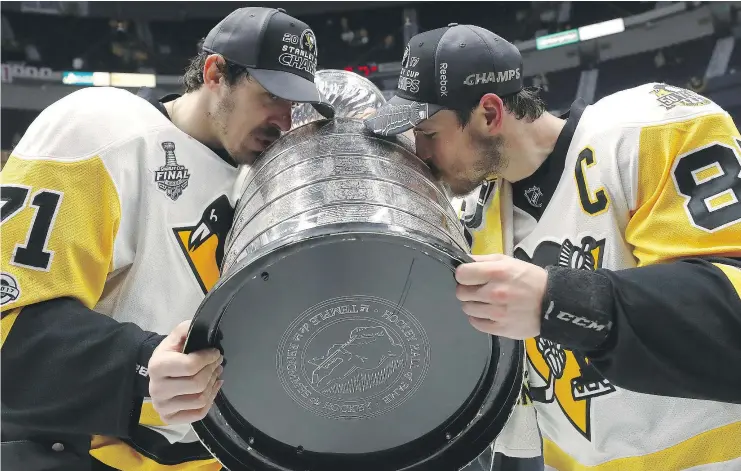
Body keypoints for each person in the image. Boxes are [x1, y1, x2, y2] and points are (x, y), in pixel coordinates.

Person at [365, 24, 741, 471]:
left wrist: (561, 301)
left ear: (489, 113)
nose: (420, 152)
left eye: (428, 133)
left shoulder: (647, 132)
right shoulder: (475, 219)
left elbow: (728, 312)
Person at [1, 7, 331, 471]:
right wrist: (138, 362)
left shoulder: (259, 178)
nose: (283, 120)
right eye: (271, 96)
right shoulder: (103, 131)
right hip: (92, 455)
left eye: (293, 104)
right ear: (216, 72)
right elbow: (12, 329)